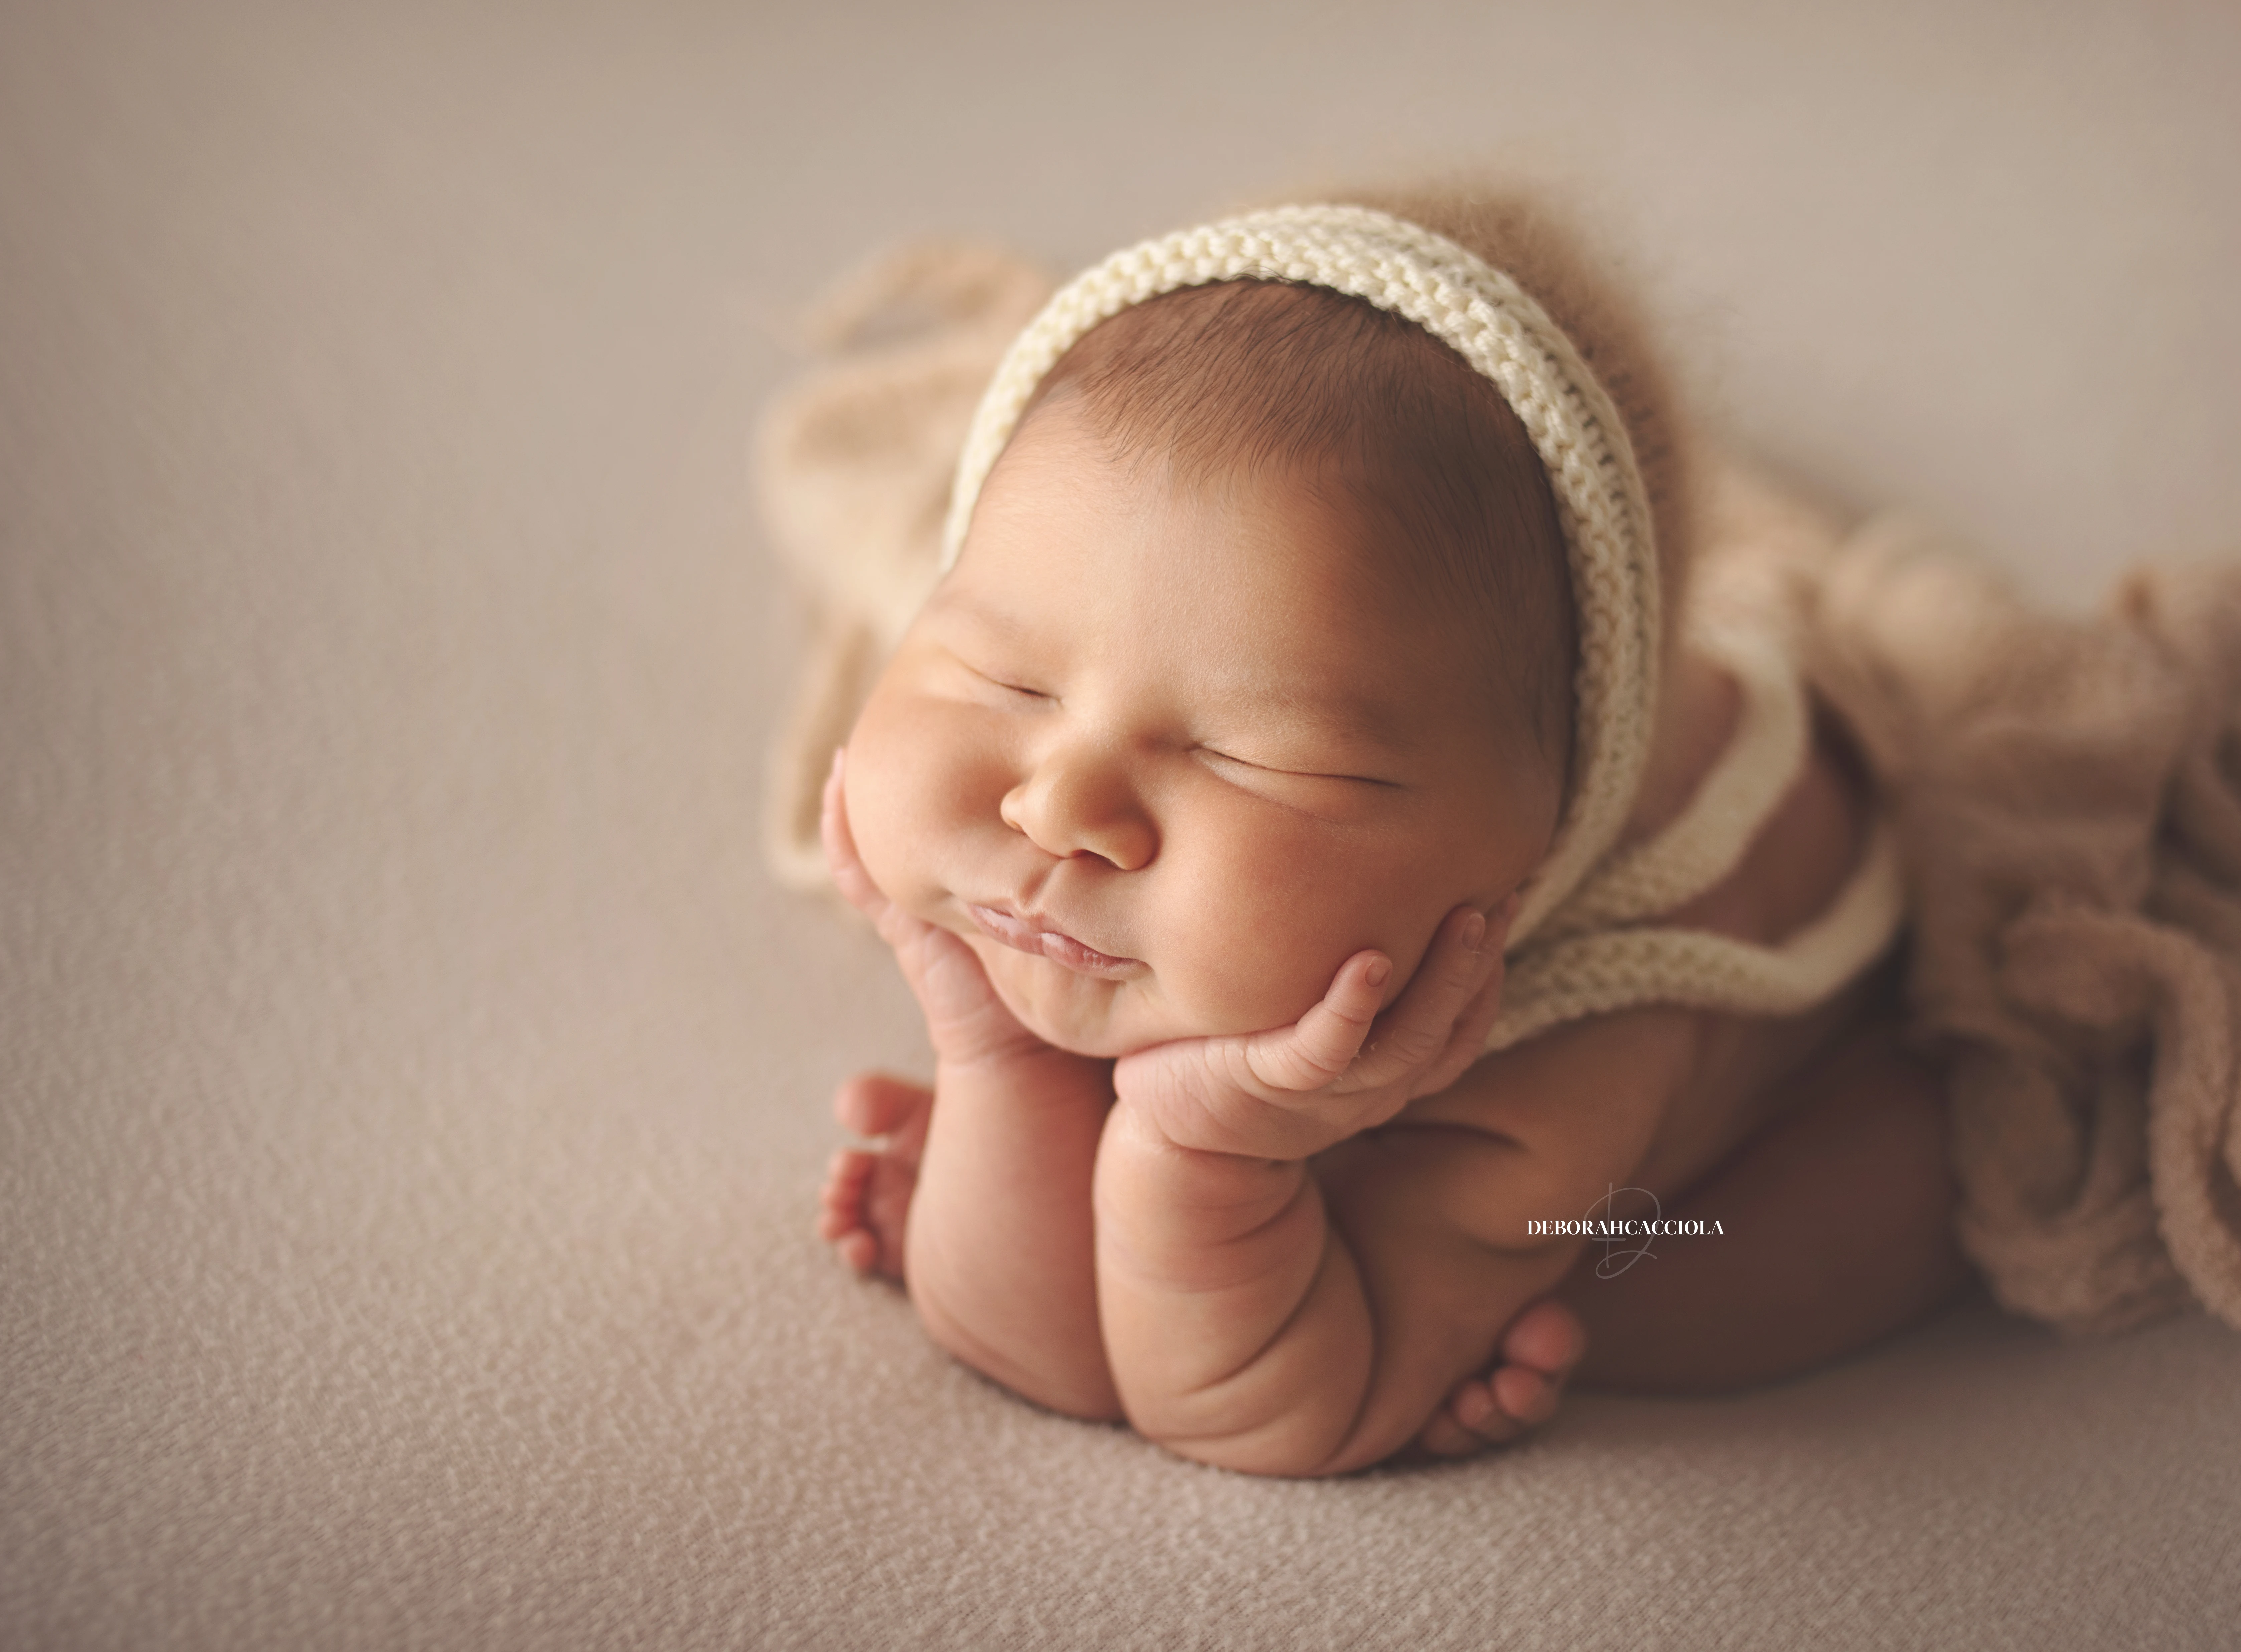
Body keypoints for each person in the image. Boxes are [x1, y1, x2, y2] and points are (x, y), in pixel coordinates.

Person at [808, 193, 1968, 1476]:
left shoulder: (1552, 1069)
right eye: (1002, 677)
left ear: (1518, 863)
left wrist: (1197, 1152)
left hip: (1783, 1066)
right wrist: (999, 1058)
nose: (1059, 807)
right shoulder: (1191, 907)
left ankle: (1457, 1283)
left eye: (1252, 758)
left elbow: (1248, 1409)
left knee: (1765, 1256)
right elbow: (1042, 1354)